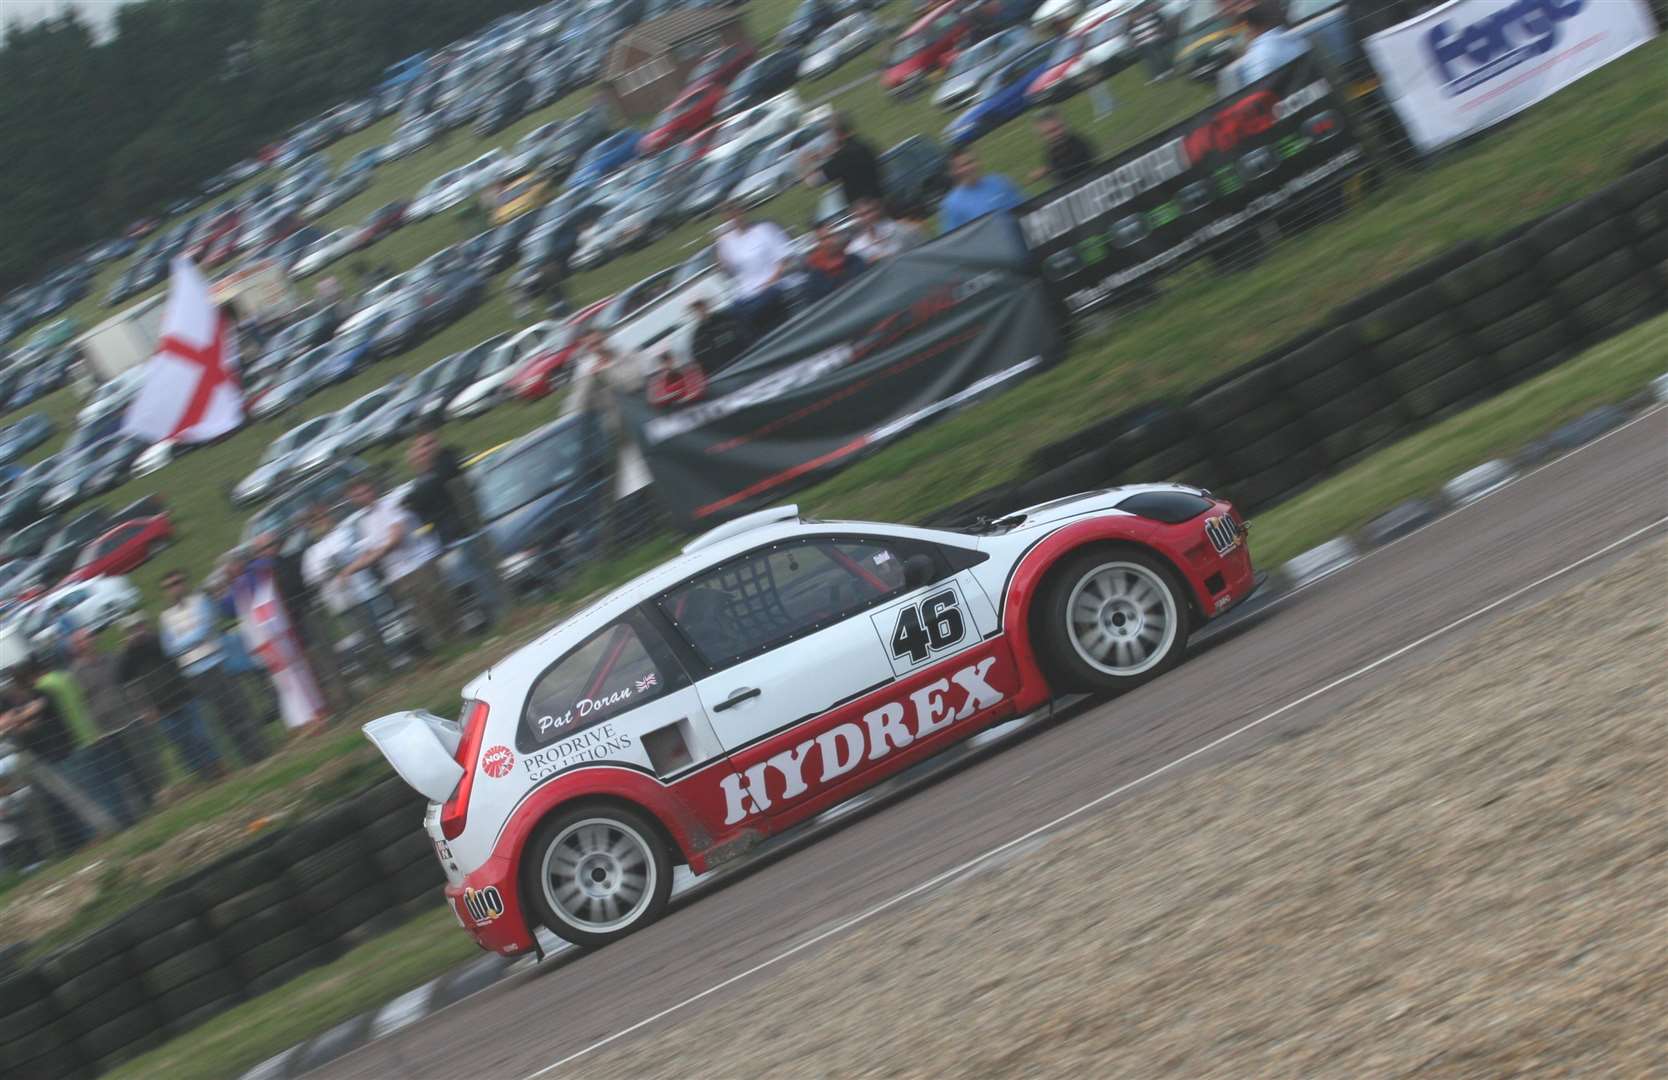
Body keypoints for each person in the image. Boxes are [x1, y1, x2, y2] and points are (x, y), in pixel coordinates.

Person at [159, 569, 267, 765]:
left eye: (177, 583)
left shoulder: (201, 601)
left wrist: (183, 640)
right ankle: (245, 758)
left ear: (184, 583)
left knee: (238, 708)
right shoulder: (165, 617)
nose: (174, 588)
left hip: (217, 663)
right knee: (221, 717)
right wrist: (190, 639)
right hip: (194, 672)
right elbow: (169, 648)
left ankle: (258, 751)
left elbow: (205, 630)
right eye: (169, 586)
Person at [406, 427, 507, 632]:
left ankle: (502, 614)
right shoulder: (424, 476)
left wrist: (419, 489)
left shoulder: (447, 461)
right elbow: (418, 504)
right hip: (449, 538)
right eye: (422, 447)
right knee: (470, 580)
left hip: (466, 530)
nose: (427, 450)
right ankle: (490, 618)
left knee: (483, 574)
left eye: (429, 444)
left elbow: (421, 496)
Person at [340, 478, 451, 651]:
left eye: (363, 491)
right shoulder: (364, 522)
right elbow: (368, 552)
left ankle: (457, 641)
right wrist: (349, 569)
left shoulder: (391, 505)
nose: (362, 497)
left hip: (420, 562)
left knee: (440, 607)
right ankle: (444, 649)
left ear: (372, 489)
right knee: (422, 616)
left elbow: (395, 539)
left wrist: (373, 557)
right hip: (398, 574)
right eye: (356, 496)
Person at [230, 545, 329, 733]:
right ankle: (304, 718)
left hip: (275, 631)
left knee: (294, 674)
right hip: (268, 635)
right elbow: (233, 610)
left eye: (235, 564)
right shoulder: (244, 582)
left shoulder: (254, 576)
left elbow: (259, 604)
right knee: (286, 679)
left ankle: (314, 714)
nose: (232, 568)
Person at [116, 616, 225, 781]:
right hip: (160, 707)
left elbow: (165, 651)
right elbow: (122, 678)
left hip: (183, 696)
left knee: (200, 735)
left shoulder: (158, 640)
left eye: (138, 627)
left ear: (145, 626)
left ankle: (217, 767)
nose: (136, 633)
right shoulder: (129, 656)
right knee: (182, 744)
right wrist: (128, 651)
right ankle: (203, 775)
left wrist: (144, 640)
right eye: (131, 631)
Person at [300, 503, 393, 675]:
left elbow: (363, 551)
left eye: (321, 518)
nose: (319, 524)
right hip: (341, 600)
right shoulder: (311, 552)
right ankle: (379, 668)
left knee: (382, 627)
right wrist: (325, 571)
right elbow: (311, 578)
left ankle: (393, 659)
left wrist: (344, 562)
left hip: (364, 590)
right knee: (361, 637)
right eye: (313, 522)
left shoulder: (344, 532)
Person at [715, 201, 793, 331]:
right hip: (748, 292)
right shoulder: (728, 242)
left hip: (773, 285)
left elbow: (785, 259)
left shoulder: (765, 229)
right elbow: (727, 271)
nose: (734, 219)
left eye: (736, 214)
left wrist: (771, 281)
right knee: (732, 314)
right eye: (729, 217)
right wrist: (719, 246)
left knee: (757, 309)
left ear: (743, 212)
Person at [1220, 3, 1310, 94]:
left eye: (1240, 32)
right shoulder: (1290, 37)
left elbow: (1259, 95)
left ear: (1249, 28)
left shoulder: (1259, 57)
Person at [805, 114, 884, 207]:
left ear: (837, 133)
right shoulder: (865, 144)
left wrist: (808, 163)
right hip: (880, 199)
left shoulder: (843, 156)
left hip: (864, 208)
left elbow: (813, 181)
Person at [939, 149, 1025, 234]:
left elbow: (1025, 209)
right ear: (955, 172)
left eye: (971, 162)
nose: (970, 167)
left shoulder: (999, 181)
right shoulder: (952, 205)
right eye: (963, 166)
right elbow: (955, 240)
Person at [802, 222, 868, 302]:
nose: (829, 241)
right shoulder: (815, 279)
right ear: (818, 245)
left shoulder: (855, 260)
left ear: (839, 237)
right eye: (823, 239)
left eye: (831, 236)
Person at [688, 297, 752, 378]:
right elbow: (699, 361)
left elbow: (742, 334)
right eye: (696, 309)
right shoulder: (698, 335)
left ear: (706, 306)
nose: (700, 311)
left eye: (701, 306)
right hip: (724, 374)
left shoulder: (724, 319)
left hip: (744, 362)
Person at [1030, 111, 1098, 186]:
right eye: (1049, 132)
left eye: (1057, 128)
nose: (1056, 134)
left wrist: (1048, 170)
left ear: (1064, 126)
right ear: (1042, 136)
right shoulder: (1048, 155)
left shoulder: (1078, 143)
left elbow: (1076, 162)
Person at [846, 199, 914, 263]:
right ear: (855, 219)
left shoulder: (903, 228)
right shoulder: (854, 248)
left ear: (879, 211)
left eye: (870, 211)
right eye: (861, 215)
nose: (868, 217)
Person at [1130, 1, 1174, 83]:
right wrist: (1134, 42)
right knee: (1151, 59)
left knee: (1160, 54)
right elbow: (1130, 34)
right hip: (1143, 43)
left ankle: (1168, 70)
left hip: (1155, 38)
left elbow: (1162, 21)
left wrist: (1162, 31)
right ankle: (1158, 75)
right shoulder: (1130, 22)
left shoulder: (1151, 14)